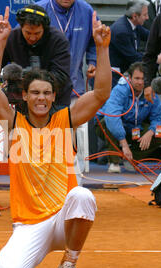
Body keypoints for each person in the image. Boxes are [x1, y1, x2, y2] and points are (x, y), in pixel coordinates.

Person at [0, 7, 111, 268]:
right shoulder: (13, 122)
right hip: (29, 225)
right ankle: (31, 255)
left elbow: (101, 93)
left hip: (63, 218)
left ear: (54, 96)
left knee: (82, 196)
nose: (41, 98)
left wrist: (102, 49)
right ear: (25, 96)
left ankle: (69, 262)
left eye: (46, 93)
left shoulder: (65, 119)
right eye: (35, 93)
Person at [34, 0, 97, 182]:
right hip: (42, 91)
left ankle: (72, 184)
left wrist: (93, 61)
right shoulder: (41, 9)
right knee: (42, 138)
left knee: (70, 136)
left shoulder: (86, 10)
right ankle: (42, 183)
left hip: (73, 87)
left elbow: (95, 40)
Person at [0, 4, 72, 108]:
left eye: (37, 33)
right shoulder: (11, 38)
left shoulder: (58, 40)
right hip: (21, 102)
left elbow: (61, 76)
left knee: (57, 124)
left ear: (44, 29)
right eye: (27, 33)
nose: (32, 37)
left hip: (56, 102)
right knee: (6, 124)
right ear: (21, 27)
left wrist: (29, 80)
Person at [96, 62, 161, 173]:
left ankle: (131, 159)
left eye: (143, 79)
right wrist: (124, 144)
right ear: (130, 78)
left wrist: (151, 132)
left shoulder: (149, 92)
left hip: (134, 127)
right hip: (110, 125)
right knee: (108, 122)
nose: (140, 82)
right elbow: (113, 117)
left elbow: (160, 117)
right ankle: (114, 162)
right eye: (137, 78)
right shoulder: (120, 90)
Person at [109, 0, 150, 88]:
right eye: (145, 15)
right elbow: (133, 57)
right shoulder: (121, 31)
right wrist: (155, 58)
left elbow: (150, 37)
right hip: (112, 78)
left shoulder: (135, 25)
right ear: (135, 16)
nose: (147, 18)